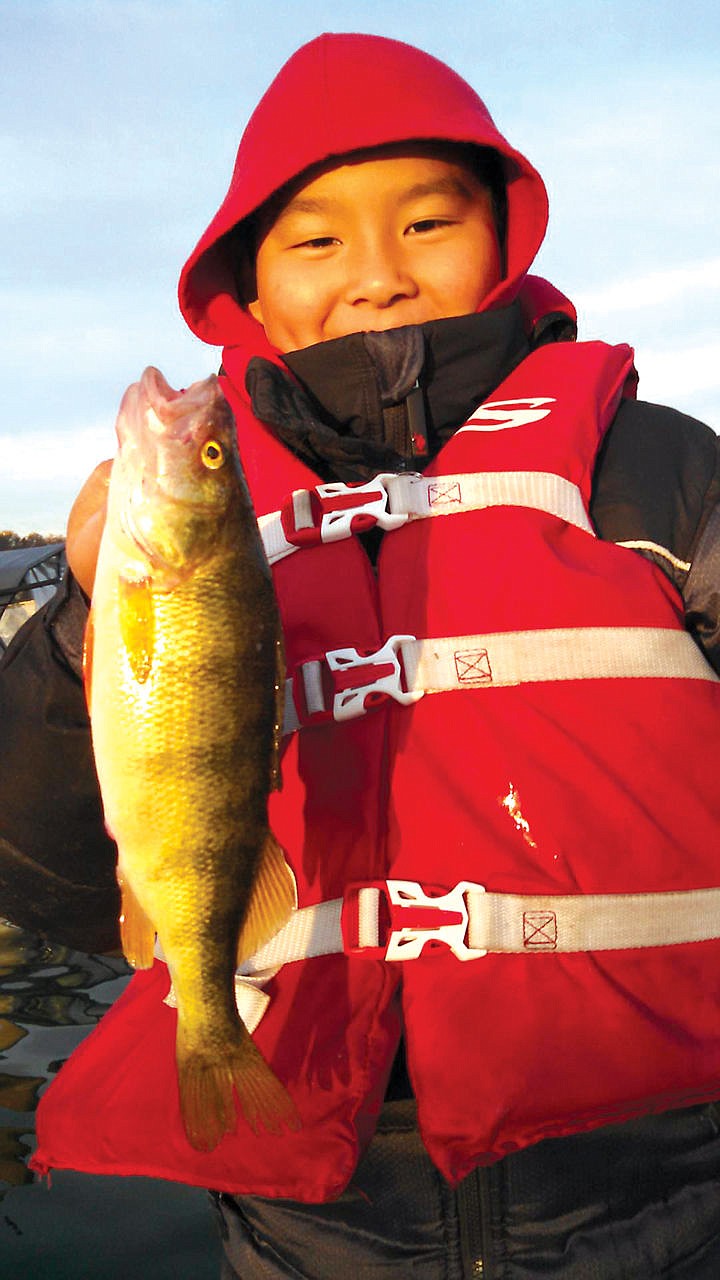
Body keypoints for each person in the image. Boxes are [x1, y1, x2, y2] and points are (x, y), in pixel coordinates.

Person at [3, 30, 720, 1279]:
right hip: (321, 1197)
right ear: (249, 282)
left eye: (429, 223)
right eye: (319, 240)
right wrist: (78, 624)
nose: (378, 277)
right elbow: (45, 873)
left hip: (660, 1166)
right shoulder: (179, 548)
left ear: (505, 237)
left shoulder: (655, 470)